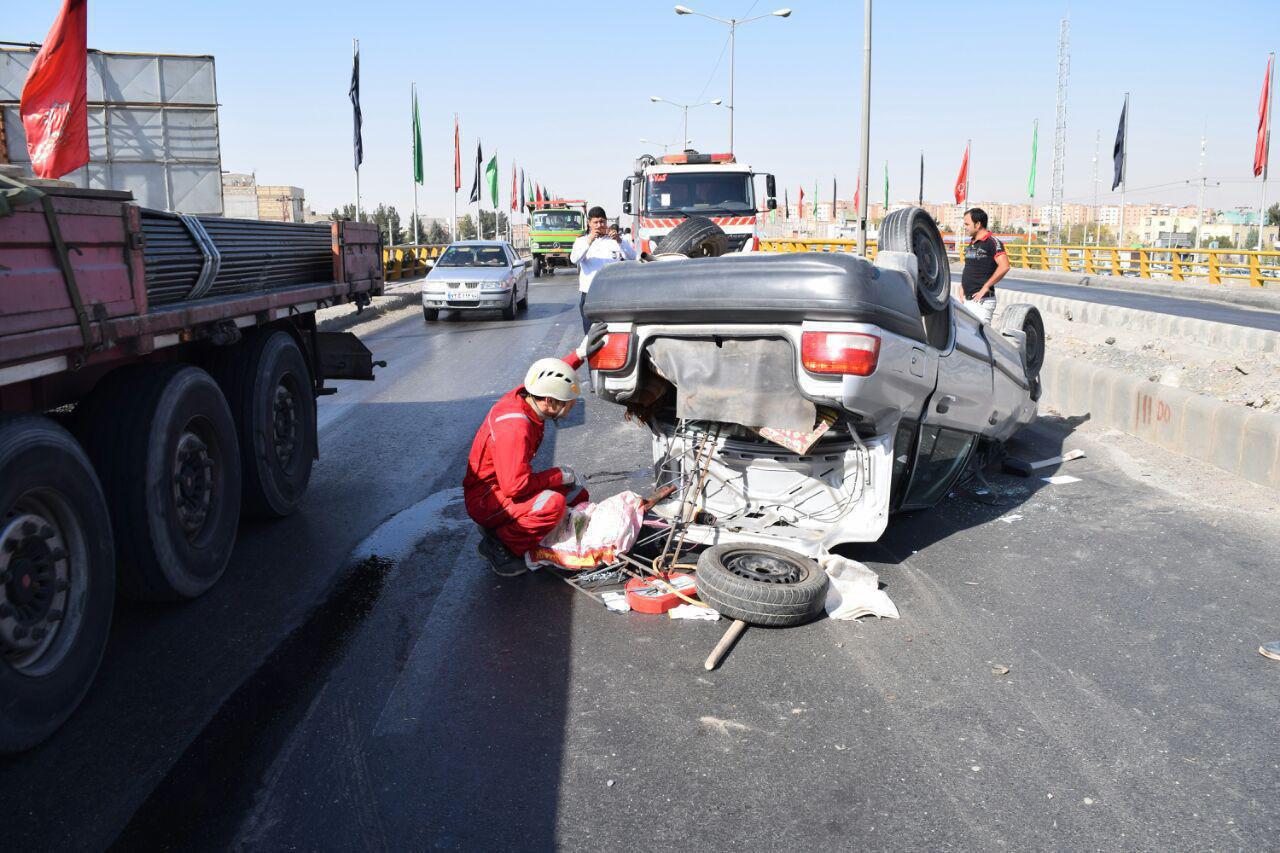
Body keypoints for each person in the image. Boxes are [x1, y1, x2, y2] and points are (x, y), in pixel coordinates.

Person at [464, 323, 609, 576]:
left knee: (575, 493)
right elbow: (514, 487)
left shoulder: (529, 395)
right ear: (550, 402)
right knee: (551, 503)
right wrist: (556, 475)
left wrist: (579, 355)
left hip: (499, 492)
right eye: (568, 403)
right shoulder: (515, 428)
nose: (571, 408)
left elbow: (550, 377)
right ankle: (501, 546)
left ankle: (510, 529)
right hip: (488, 499)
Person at [570, 206, 636, 332]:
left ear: (606, 222)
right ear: (589, 223)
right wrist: (589, 241)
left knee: (614, 330)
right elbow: (575, 259)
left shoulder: (615, 240)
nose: (599, 225)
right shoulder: (581, 241)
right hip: (590, 293)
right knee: (590, 332)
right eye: (595, 222)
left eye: (602, 222)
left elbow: (633, 257)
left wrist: (619, 241)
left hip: (613, 293)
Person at [960, 207, 1009, 325]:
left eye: (967, 224)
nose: (964, 227)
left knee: (980, 338)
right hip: (968, 300)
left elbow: (1004, 266)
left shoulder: (992, 242)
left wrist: (986, 287)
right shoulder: (972, 243)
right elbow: (970, 267)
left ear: (977, 224)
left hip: (983, 301)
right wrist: (962, 286)